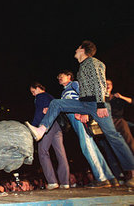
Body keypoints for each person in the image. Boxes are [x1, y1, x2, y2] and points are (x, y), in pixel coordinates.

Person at [25, 40, 134, 187]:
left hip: (97, 104)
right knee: (56, 103)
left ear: (83, 49)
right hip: (86, 105)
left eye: (77, 48)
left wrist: (100, 104)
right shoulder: (82, 68)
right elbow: (84, 92)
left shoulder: (92, 63)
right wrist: (82, 110)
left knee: (113, 136)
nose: (75, 50)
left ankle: (131, 172)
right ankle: (40, 130)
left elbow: (100, 82)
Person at [57, 70, 118, 188]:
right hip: (74, 119)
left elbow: (85, 97)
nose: (59, 78)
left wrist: (85, 113)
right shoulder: (65, 91)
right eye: (58, 77)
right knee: (92, 147)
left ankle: (101, 178)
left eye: (61, 76)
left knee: (87, 146)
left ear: (69, 76)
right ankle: (109, 177)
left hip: (80, 117)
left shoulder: (74, 84)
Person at [28, 82, 70, 190]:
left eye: (33, 91)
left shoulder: (40, 96)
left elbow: (40, 112)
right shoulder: (50, 96)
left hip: (46, 126)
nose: (33, 94)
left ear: (38, 88)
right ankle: (65, 182)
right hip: (57, 126)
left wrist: (32, 126)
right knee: (61, 153)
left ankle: (52, 182)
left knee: (43, 152)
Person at [106, 79, 134, 154]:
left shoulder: (116, 98)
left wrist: (121, 97)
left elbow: (132, 101)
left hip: (118, 120)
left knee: (128, 139)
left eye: (110, 84)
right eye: (106, 84)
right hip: (107, 122)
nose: (108, 85)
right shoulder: (101, 99)